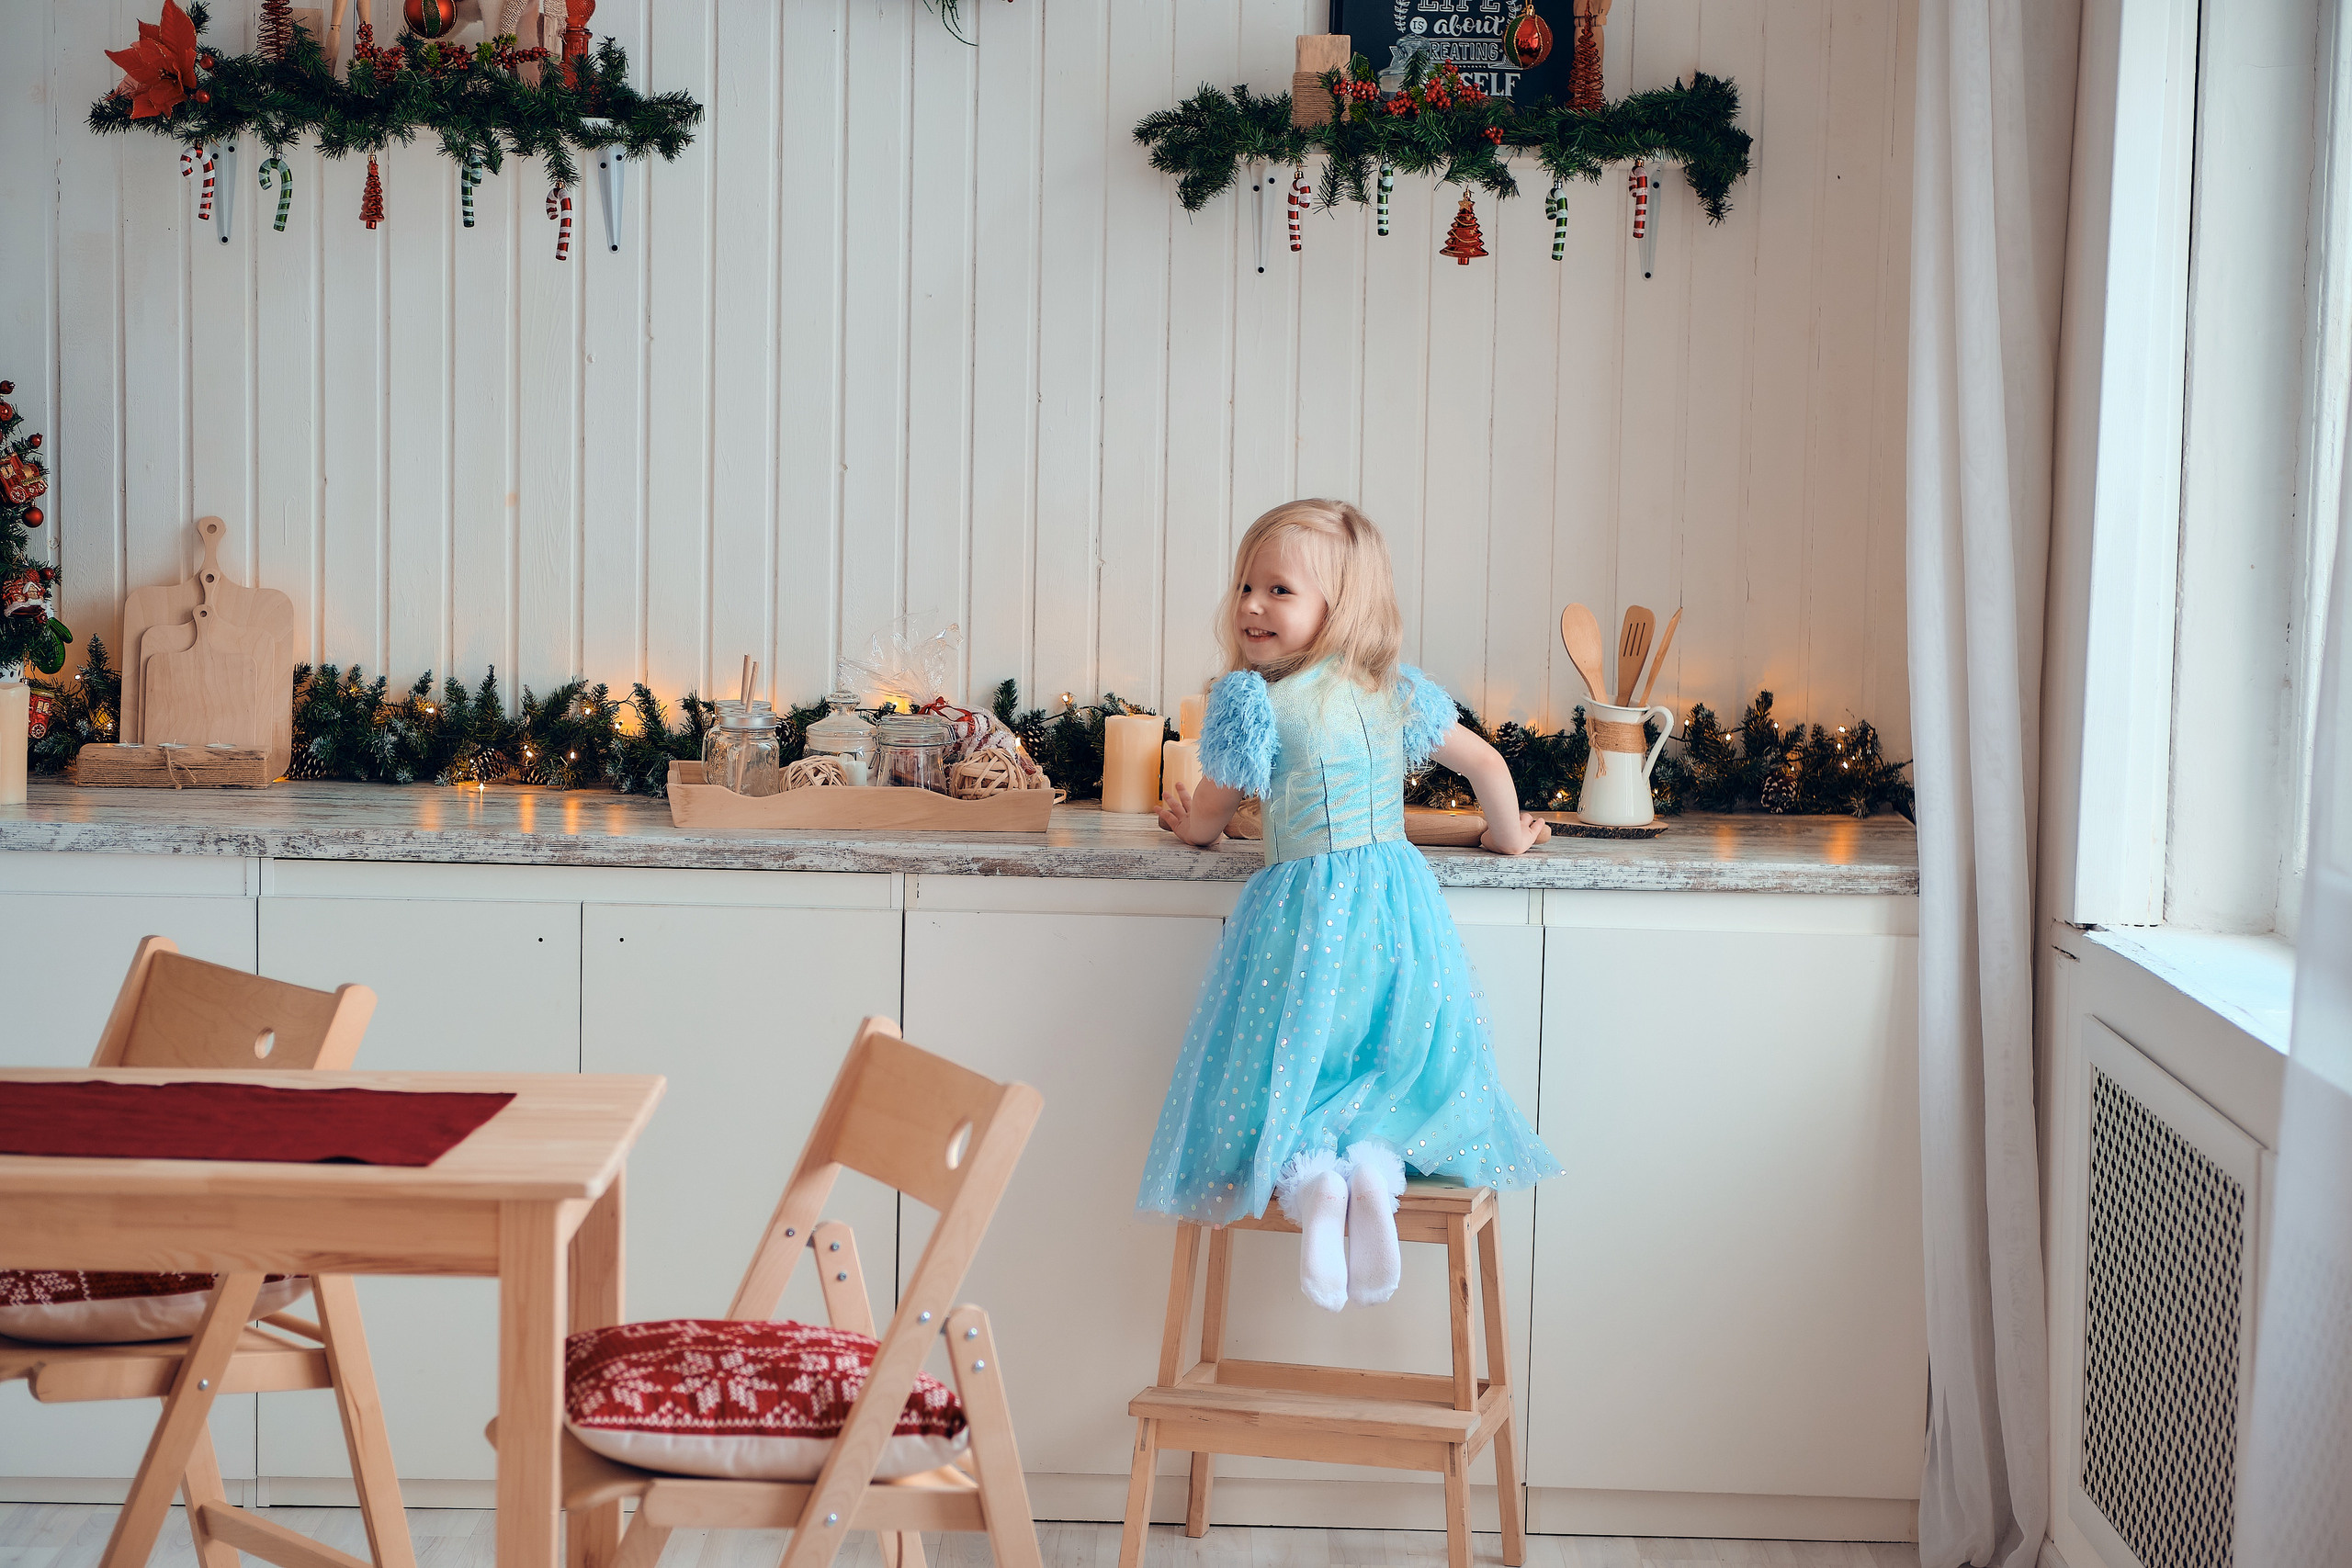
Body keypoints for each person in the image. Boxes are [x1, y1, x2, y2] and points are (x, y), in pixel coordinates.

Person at [1137, 498, 1561, 1311]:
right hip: (1398, 911)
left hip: (1301, 915)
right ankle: (1371, 1168)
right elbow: (1487, 765)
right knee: (1383, 1062)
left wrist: (1186, 819)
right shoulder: (1391, 690)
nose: (1252, 605)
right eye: (1245, 586)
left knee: (1292, 1065)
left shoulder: (1253, 702)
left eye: (1279, 590)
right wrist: (1506, 835)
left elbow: (1212, 819)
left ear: (1339, 607)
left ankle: (1313, 1180)